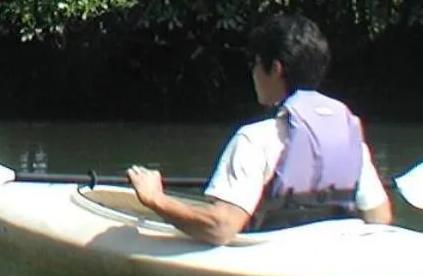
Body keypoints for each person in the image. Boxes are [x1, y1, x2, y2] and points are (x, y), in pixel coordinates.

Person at [126, 12, 392, 245]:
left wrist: (155, 198)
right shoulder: (348, 140)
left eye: (255, 63)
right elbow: (379, 217)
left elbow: (220, 227)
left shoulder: (255, 139)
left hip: (274, 263)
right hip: (331, 256)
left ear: (274, 68)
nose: (253, 72)